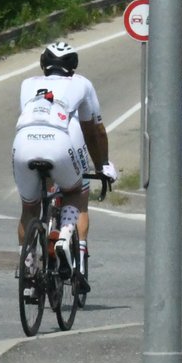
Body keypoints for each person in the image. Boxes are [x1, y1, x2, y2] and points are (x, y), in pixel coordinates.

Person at [13, 42, 115, 289]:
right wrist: (102, 165)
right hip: (59, 141)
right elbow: (95, 131)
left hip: (23, 142)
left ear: (42, 64)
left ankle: (28, 270)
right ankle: (66, 239)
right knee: (76, 192)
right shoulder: (81, 83)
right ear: (74, 66)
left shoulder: (27, 84)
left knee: (30, 207)